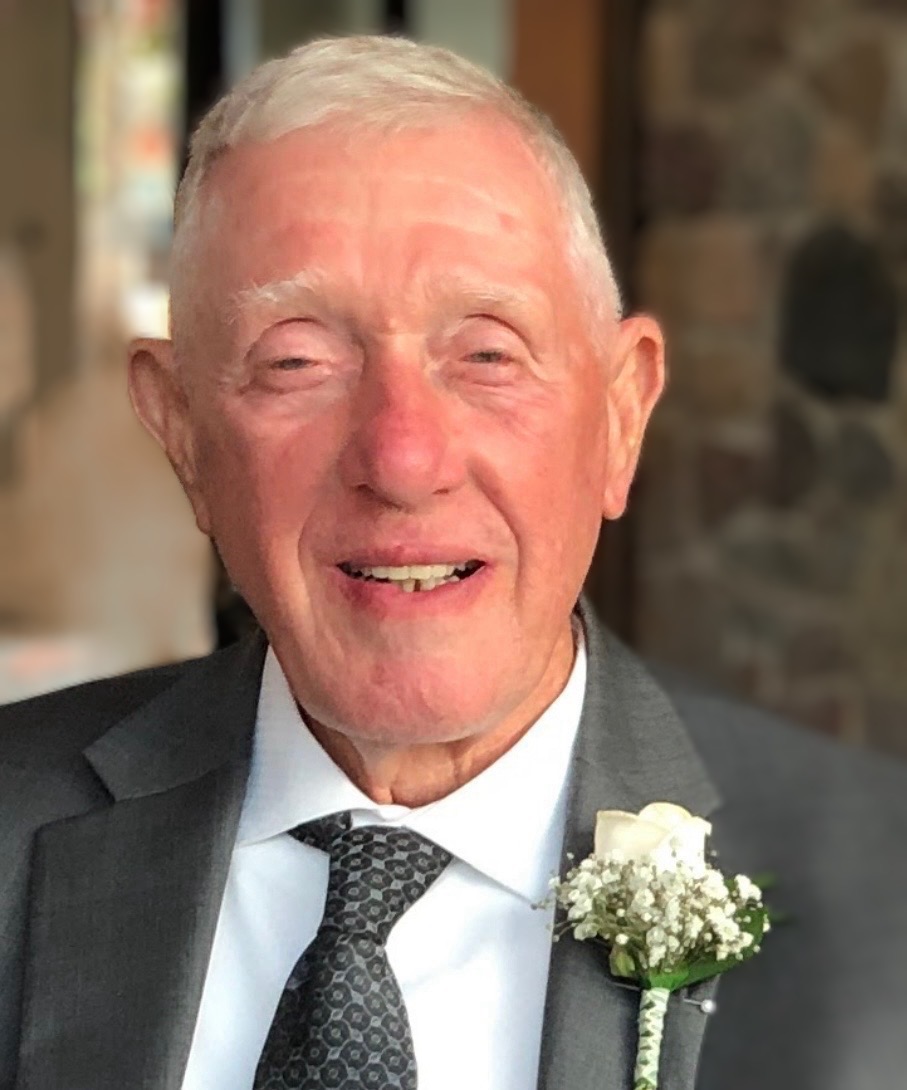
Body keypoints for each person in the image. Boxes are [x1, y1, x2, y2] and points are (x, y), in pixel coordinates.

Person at [1, 34, 905, 1090]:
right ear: (181, 432)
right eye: (296, 360)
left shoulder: (880, 893)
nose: (401, 458)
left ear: (620, 416)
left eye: (486, 354)